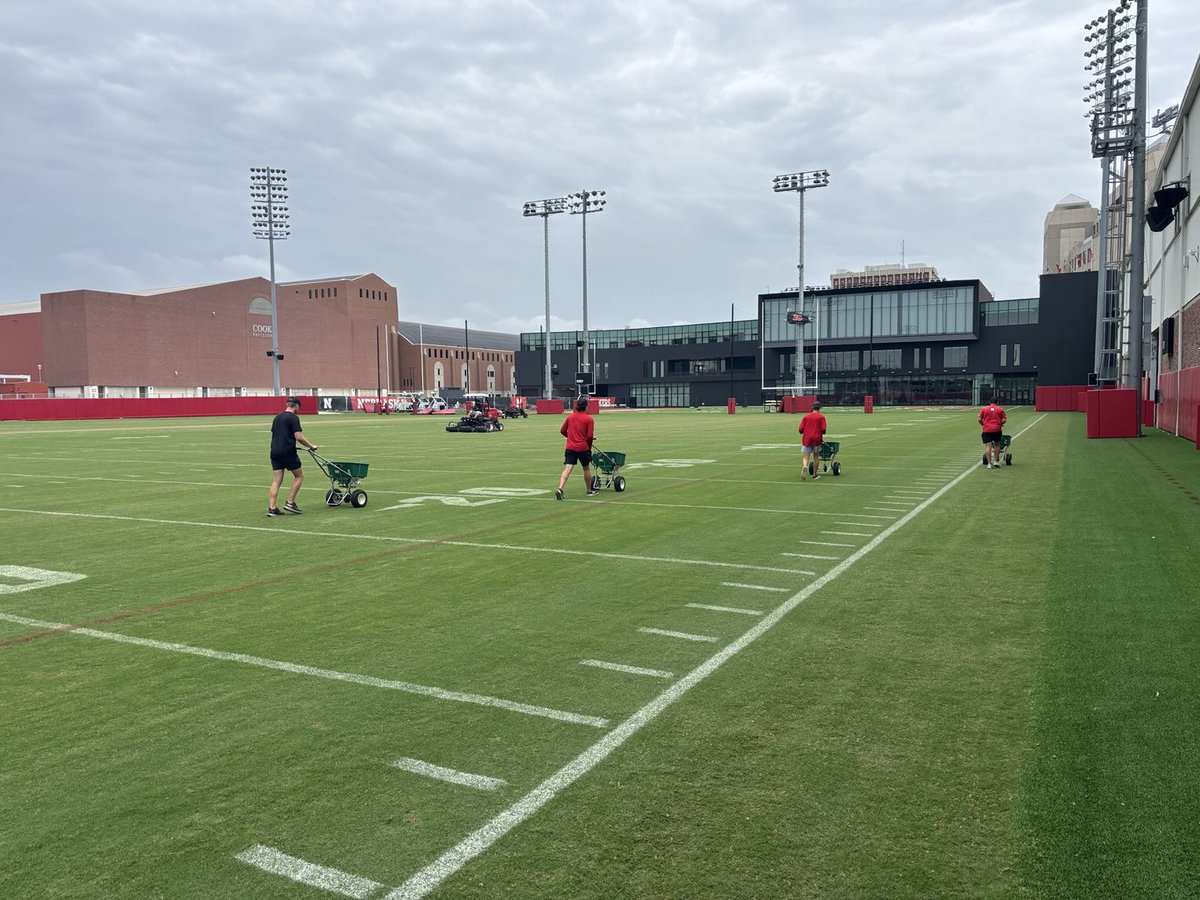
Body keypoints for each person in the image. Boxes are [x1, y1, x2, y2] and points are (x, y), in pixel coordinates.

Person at [268, 397, 318, 516]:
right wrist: (311, 446)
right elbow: (299, 437)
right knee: (299, 476)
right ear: (295, 406)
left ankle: (272, 508)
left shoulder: (277, 417)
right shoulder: (293, 418)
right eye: (299, 407)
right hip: (287, 452)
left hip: (274, 452)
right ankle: (290, 502)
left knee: (276, 481)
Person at [556, 396, 597, 500]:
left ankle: (560, 488)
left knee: (567, 468)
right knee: (586, 468)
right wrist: (589, 446)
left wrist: (570, 437)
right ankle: (589, 490)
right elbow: (589, 436)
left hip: (570, 447)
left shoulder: (570, 417)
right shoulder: (589, 419)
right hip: (583, 448)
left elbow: (562, 430)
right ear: (586, 407)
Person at [798, 401, 827, 481]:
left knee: (806, 455)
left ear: (812, 408)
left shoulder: (806, 417)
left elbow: (800, 429)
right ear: (819, 408)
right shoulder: (821, 417)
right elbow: (823, 429)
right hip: (817, 438)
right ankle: (814, 474)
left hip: (807, 438)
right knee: (816, 456)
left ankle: (804, 466)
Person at [978, 400, 1007, 469]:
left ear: (989, 402)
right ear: (997, 402)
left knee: (988, 445)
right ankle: (996, 461)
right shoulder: (1000, 409)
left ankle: (989, 464)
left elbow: (979, 419)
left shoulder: (984, 409)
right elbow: (1004, 419)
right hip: (997, 429)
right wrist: (1000, 423)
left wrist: (983, 424)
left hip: (986, 429)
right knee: (997, 444)